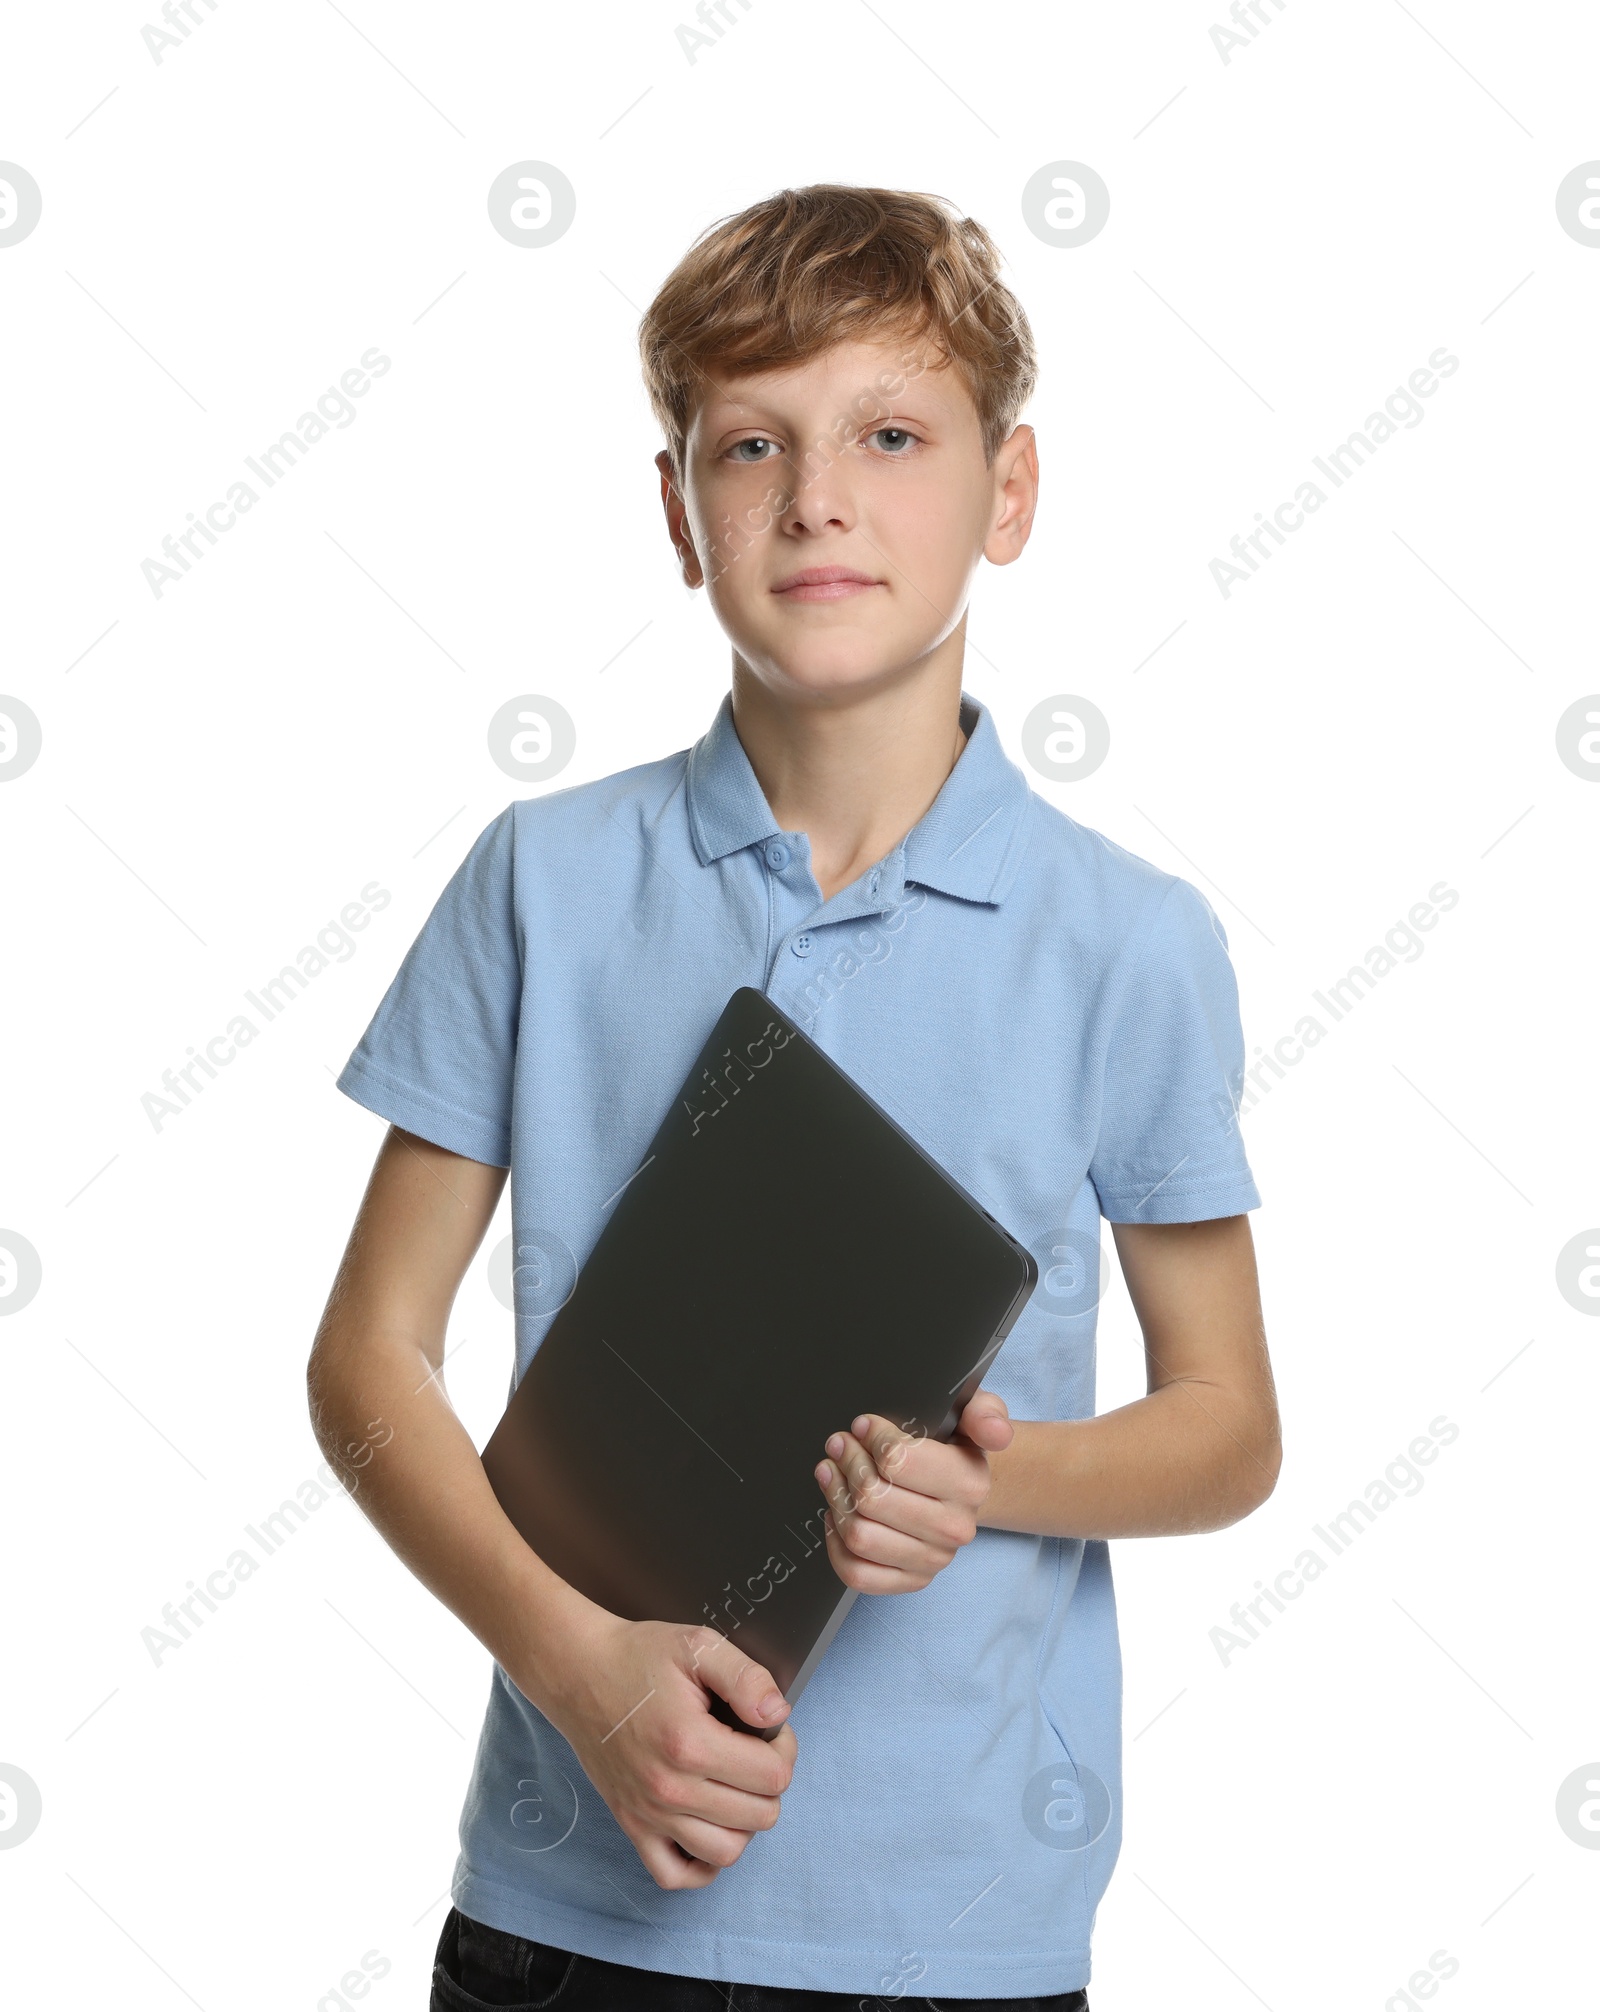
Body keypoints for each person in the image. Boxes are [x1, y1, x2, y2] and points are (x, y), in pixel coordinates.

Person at [307, 183, 1280, 2012]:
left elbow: (1230, 1424)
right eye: (750, 444)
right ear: (681, 514)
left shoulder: (1130, 940)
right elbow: (367, 1358)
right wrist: (585, 1674)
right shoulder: (541, 879)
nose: (819, 496)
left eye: (892, 436)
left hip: (959, 1936)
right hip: (565, 1913)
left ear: (1011, 493)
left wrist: (991, 1489)